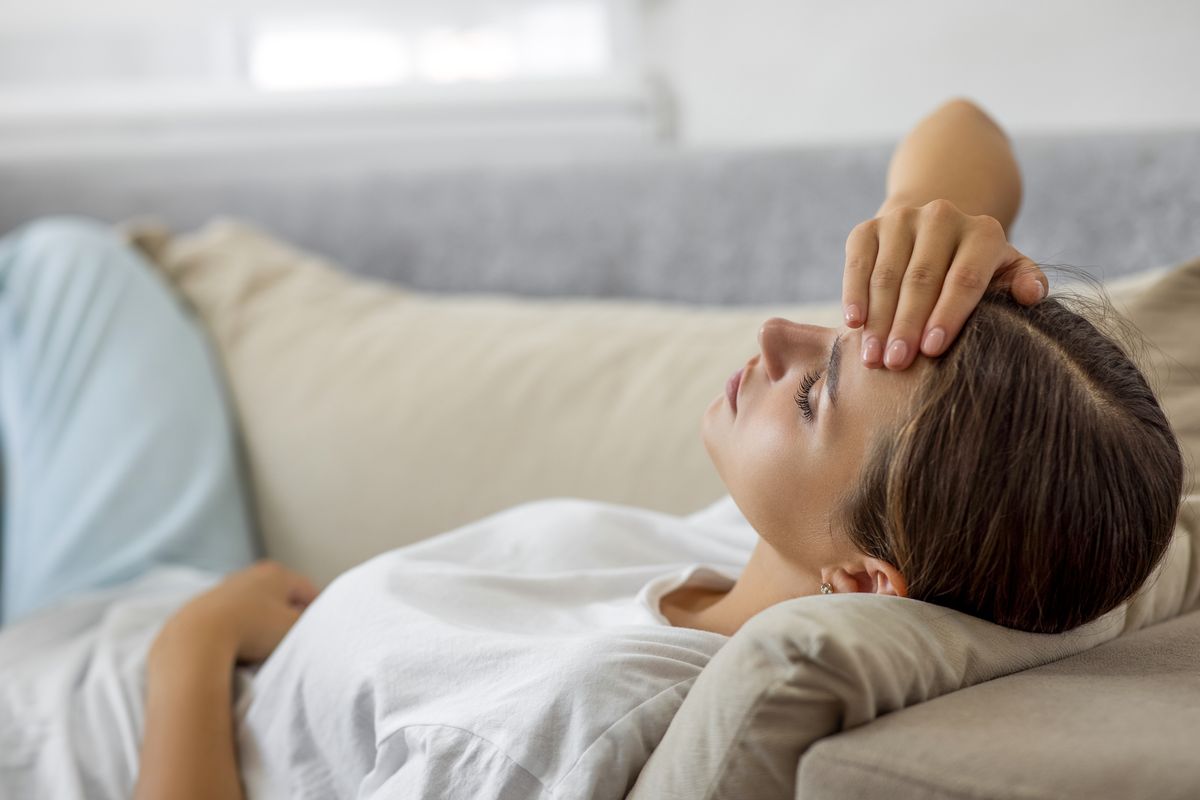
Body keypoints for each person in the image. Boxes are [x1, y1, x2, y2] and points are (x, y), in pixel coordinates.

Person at [0, 98, 1182, 800]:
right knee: (67, 267)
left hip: (71, 724)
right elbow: (964, 125)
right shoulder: (782, 551)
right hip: (140, 600)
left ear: (868, 580)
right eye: (838, 332)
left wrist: (194, 646)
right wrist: (936, 217)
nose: (773, 335)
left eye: (816, 391)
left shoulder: (563, 727)